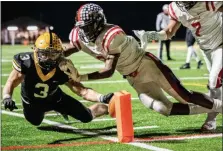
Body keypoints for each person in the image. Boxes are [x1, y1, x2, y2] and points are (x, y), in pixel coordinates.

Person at [63, 3, 222, 127]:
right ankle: (215, 108)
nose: (85, 30)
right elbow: (69, 48)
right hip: (133, 77)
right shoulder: (78, 36)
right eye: (83, 26)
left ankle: (219, 107)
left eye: (89, 26)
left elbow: (108, 71)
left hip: (146, 65)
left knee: (184, 96)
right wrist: (50, 55)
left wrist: (81, 76)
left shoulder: (112, 35)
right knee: (163, 109)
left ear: (98, 23)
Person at [133, 1, 223, 132]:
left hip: (220, 44)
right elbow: (169, 32)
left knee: (214, 82)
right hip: (206, 50)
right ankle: (212, 118)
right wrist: (150, 35)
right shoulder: (176, 8)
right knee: (216, 86)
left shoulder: (207, 2)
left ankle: (211, 120)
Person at [2, 31, 113, 126]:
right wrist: (7, 97)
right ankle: (51, 110)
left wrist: (102, 97)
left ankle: (106, 108)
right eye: (44, 54)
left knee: (87, 117)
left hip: (55, 98)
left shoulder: (63, 67)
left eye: (53, 54)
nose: (48, 59)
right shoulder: (26, 62)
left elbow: (83, 91)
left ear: (60, 54)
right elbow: (11, 82)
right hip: (32, 102)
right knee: (35, 121)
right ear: (35, 50)